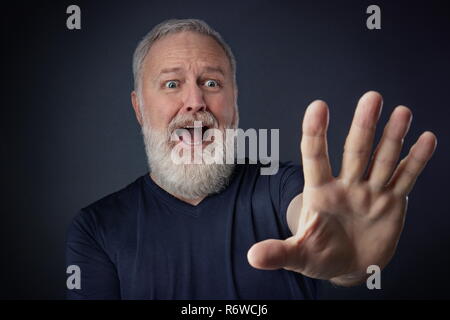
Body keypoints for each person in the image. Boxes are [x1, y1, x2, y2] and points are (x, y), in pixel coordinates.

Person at [65, 19, 437, 299]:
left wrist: (353, 262)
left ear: (235, 104)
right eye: (172, 84)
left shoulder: (281, 185)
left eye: (212, 83)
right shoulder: (97, 227)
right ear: (139, 108)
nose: (195, 101)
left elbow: (310, 213)